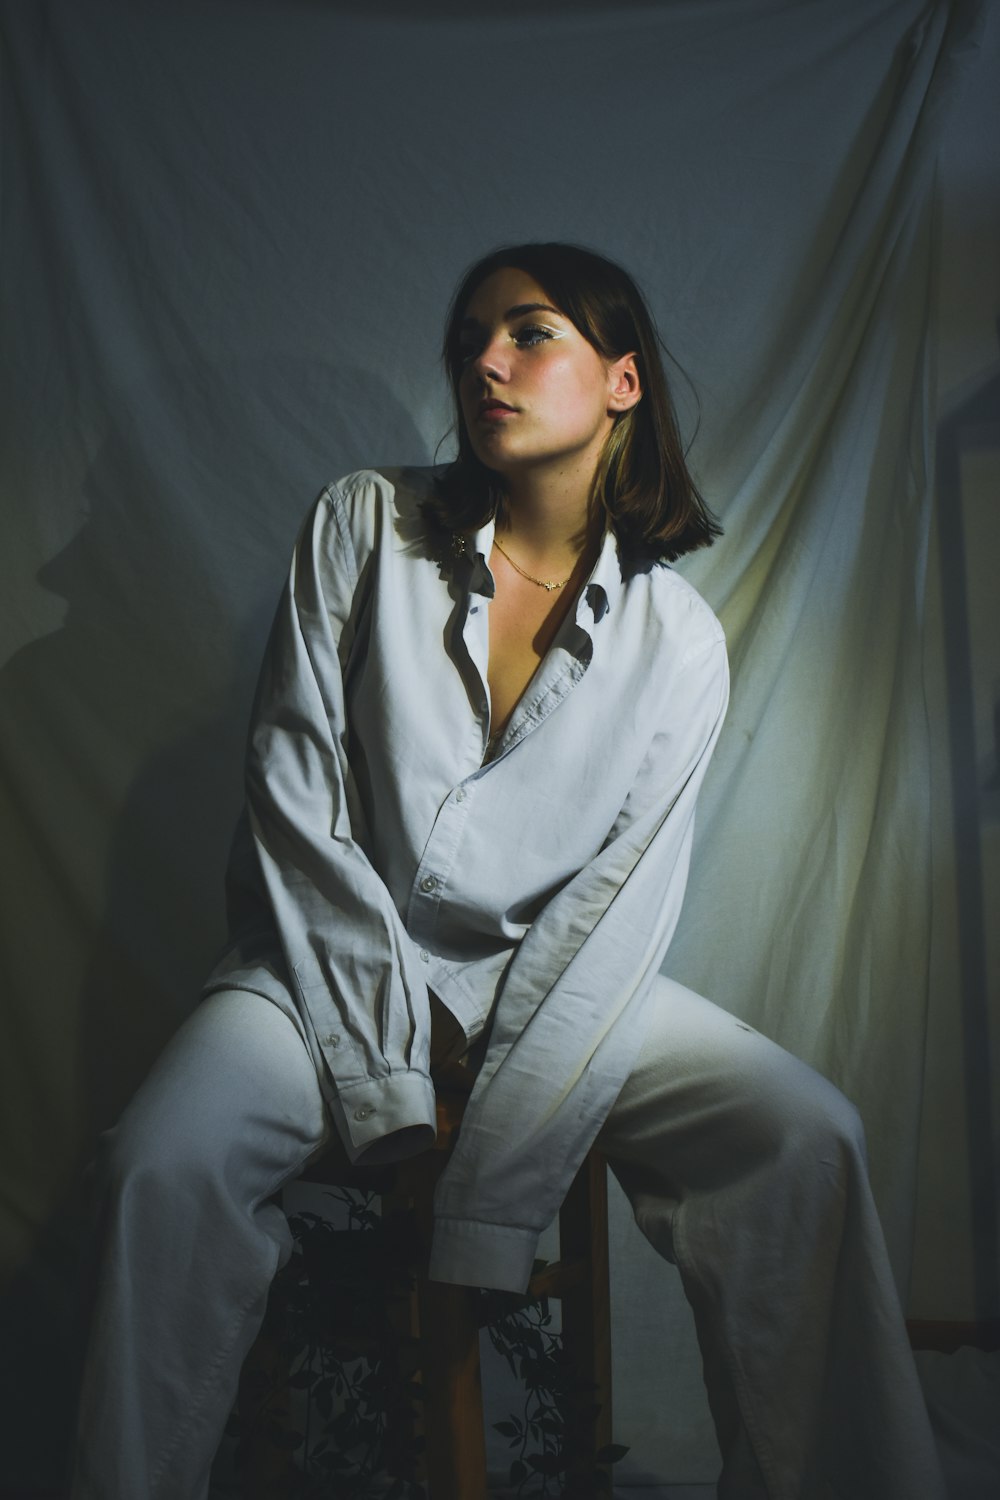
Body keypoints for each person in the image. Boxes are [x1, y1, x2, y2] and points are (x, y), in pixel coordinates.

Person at [69, 243, 945, 1499]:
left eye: (529, 333)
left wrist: (490, 1183)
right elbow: (293, 807)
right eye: (470, 337)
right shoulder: (361, 525)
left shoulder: (677, 642)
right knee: (162, 1164)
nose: (485, 360)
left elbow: (617, 908)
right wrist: (386, 1074)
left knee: (811, 1135)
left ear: (623, 380)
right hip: (320, 968)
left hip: (559, 984)